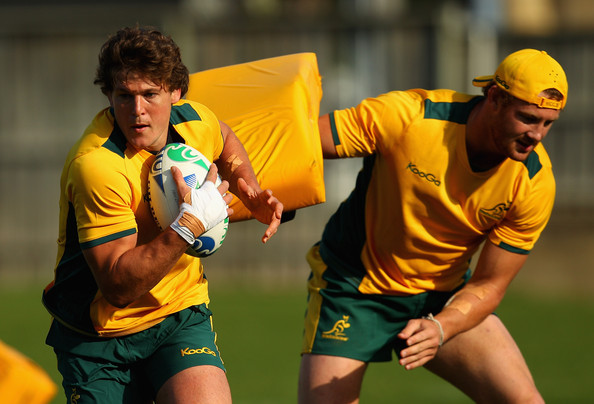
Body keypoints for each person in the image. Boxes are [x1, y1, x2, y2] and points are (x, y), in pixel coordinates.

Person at [298, 49, 567, 403]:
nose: (537, 135)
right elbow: (300, 142)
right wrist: (266, 190)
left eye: (548, 123)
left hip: (442, 297)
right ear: (495, 97)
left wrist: (443, 325)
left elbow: (490, 284)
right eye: (528, 118)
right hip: (353, 287)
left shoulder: (534, 182)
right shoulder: (411, 118)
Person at [42, 26, 283, 404]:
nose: (137, 110)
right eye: (125, 96)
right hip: (97, 337)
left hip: (178, 315)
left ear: (176, 92)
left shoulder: (194, 121)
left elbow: (223, 136)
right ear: (109, 95)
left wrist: (247, 187)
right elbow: (118, 288)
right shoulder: (98, 166)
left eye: (150, 95)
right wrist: (188, 225)